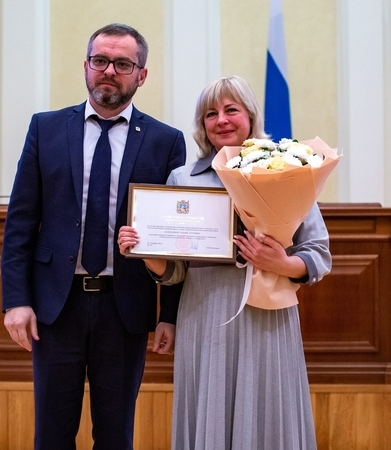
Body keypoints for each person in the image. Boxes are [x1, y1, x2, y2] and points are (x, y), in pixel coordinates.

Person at [1, 23, 186, 450]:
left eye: (122, 64)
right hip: (56, 307)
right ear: (85, 66)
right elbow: (20, 223)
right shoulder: (45, 129)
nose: (109, 71)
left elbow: (175, 239)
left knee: (115, 435)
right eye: (100, 61)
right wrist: (16, 300)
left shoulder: (165, 141)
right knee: (51, 435)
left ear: (141, 75)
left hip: (125, 308)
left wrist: (170, 315)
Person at [119, 76, 330, 449]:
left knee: (267, 411)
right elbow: (175, 272)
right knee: (209, 412)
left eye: (231, 110)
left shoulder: (287, 170)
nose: (221, 120)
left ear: (250, 116)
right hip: (204, 313)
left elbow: (318, 254)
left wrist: (280, 263)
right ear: (202, 125)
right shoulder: (182, 178)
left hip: (267, 316)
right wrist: (145, 251)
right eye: (210, 114)